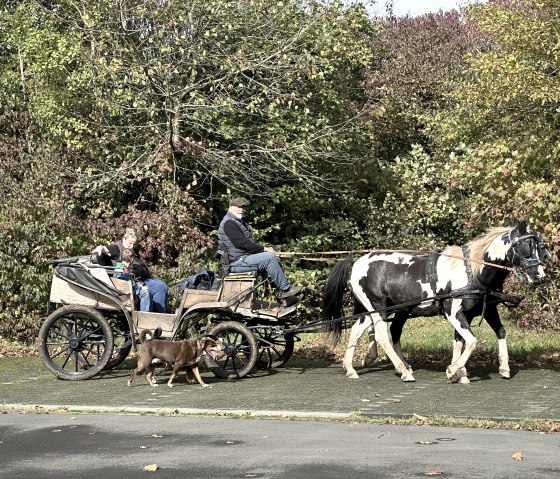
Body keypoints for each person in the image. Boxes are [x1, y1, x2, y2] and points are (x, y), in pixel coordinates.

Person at [217, 197, 302, 299]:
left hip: (243, 257)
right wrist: (264, 249)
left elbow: (246, 244)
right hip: (236, 262)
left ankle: (281, 293)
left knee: (275, 257)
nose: (242, 210)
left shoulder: (238, 222)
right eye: (238, 207)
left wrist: (266, 251)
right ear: (230, 208)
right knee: (269, 258)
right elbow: (243, 244)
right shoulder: (229, 223)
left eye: (243, 207)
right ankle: (285, 290)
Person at [92, 228, 169, 313]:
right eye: (130, 243)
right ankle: (157, 317)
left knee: (162, 285)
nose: (132, 246)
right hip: (133, 281)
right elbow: (104, 248)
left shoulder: (130, 249)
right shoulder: (117, 248)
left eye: (133, 244)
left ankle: (159, 313)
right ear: (124, 239)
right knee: (160, 287)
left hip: (142, 279)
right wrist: (99, 248)